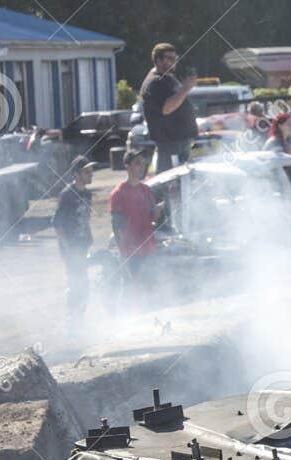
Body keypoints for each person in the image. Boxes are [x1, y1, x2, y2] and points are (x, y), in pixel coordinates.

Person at [139, 42, 199, 174]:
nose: (174, 62)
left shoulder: (168, 78)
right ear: (158, 60)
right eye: (169, 59)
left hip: (179, 141)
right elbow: (166, 108)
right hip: (170, 144)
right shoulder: (155, 82)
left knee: (182, 184)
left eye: (175, 58)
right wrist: (185, 88)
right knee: (168, 183)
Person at [53, 157, 95, 320]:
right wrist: (68, 248)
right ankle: (72, 322)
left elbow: (84, 219)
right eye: (86, 172)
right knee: (77, 285)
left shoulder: (87, 194)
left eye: (91, 172)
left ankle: (79, 319)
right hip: (72, 249)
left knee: (83, 285)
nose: (91, 175)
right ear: (76, 174)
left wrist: (88, 239)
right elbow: (57, 224)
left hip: (82, 246)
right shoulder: (67, 195)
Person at [109, 151, 158, 284]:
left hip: (149, 249)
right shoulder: (118, 193)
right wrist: (123, 255)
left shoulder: (146, 190)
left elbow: (153, 217)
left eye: (143, 163)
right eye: (137, 163)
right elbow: (116, 227)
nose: (141, 167)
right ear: (127, 166)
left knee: (150, 289)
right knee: (132, 289)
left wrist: (159, 209)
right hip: (131, 252)